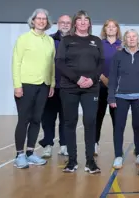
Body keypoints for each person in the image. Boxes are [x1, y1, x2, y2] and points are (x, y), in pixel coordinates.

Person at [56, 10, 104, 174]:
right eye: (80, 19)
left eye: (86, 20)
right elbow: (60, 63)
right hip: (69, 87)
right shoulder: (66, 40)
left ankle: (90, 162)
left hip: (91, 88)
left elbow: (101, 63)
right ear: (75, 23)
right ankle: (72, 161)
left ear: (89, 24)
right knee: (70, 123)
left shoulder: (96, 40)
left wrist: (91, 79)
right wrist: (77, 79)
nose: (83, 22)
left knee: (90, 122)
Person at [12, 8, 55, 168]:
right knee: (24, 120)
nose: (42, 21)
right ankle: (19, 154)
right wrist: (17, 85)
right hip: (26, 84)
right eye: (39, 18)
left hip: (44, 85)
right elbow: (16, 62)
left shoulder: (49, 41)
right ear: (33, 20)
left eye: (44, 19)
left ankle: (30, 152)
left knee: (37, 119)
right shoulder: (23, 39)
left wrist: (52, 83)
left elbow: (52, 64)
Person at [108, 29, 139, 169]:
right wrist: (111, 97)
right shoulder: (118, 55)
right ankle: (118, 156)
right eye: (129, 37)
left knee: (138, 127)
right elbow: (113, 77)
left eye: (134, 36)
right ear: (125, 40)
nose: (132, 39)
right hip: (120, 97)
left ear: (138, 39)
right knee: (119, 127)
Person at [40, 14, 72, 158]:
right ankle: (47, 145)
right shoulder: (49, 39)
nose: (65, 25)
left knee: (66, 118)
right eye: (62, 22)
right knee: (48, 117)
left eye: (68, 23)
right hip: (51, 86)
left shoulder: (75, 40)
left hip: (69, 87)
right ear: (57, 24)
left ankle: (64, 145)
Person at [95, 19, 122, 156]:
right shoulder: (98, 44)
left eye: (113, 27)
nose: (111, 29)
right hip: (100, 85)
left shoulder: (123, 45)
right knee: (97, 116)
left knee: (117, 118)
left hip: (117, 87)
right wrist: (103, 78)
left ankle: (118, 149)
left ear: (117, 29)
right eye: (108, 27)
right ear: (105, 29)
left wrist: (114, 82)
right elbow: (93, 63)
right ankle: (95, 143)